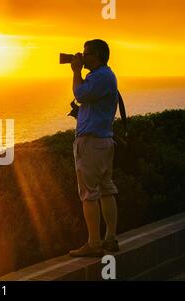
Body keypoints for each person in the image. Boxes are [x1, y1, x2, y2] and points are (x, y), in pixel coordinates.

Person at [69, 39, 120, 257]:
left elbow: (79, 93)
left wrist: (75, 71)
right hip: (104, 141)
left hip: (92, 143)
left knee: (89, 194)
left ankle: (94, 243)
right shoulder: (105, 77)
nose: (82, 56)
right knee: (106, 190)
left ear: (98, 55)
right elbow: (92, 105)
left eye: (87, 53)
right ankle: (109, 239)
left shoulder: (100, 77)